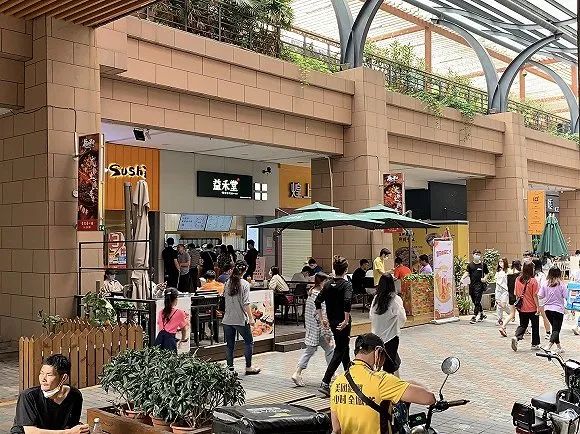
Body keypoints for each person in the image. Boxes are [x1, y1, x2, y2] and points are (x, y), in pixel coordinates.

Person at [330, 333, 436, 434]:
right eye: (383, 357)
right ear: (378, 352)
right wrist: (411, 383)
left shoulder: (337, 382)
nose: (382, 363)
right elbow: (429, 398)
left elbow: (336, 429)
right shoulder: (381, 380)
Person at [12, 354, 88, 434]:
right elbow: (30, 431)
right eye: (41, 373)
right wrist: (69, 432)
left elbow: (71, 425)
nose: (43, 379)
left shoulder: (75, 395)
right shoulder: (28, 396)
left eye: (49, 375)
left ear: (63, 378)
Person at [315, 256, 352, 396]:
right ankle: (325, 382)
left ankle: (350, 377)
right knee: (340, 349)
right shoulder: (347, 285)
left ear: (334, 269)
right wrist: (346, 320)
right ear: (346, 270)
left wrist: (322, 318)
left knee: (344, 347)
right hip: (342, 323)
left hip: (332, 321)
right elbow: (347, 301)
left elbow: (318, 301)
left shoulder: (328, 284)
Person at [291, 272, 334, 387]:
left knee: (325, 349)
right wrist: (327, 330)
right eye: (326, 282)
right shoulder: (320, 296)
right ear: (321, 282)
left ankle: (332, 373)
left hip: (312, 328)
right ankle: (297, 373)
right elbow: (322, 315)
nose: (328, 284)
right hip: (319, 329)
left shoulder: (311, 292)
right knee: (325, 349)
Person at [222, 260, 260, 375]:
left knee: (230, 345)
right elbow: (246, 303)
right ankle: (248, 367)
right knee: (249, 341)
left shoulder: (227, 282)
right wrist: (251, 318)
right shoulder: (244, 284)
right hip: (240, 319)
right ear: (245, 270)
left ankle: (230, 368)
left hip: (227, 319)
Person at [370, 274, 406, 376]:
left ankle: (394, 380)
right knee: (390, 364)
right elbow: (402, 317)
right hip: (391, 336)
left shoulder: (376, 299)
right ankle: (391, 383)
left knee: (389, 361)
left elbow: (371, 316)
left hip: (377, 336)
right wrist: (397, 325)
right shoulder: (395, 299)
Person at [511, 262, 541, 352]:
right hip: (532, 308)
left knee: (523, 324)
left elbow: (516, 293)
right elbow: (535, 296)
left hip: (522, 307)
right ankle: (535, 344)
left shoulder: (518, 279)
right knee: (535, 326)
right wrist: (538, 307)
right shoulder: (533, 281)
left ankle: (516, 337)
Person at [539, 267, 567, 354]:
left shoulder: (545, 283)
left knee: (555, 328)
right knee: (556, 329)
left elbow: (540, 296)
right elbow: (566, 296)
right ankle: (549, 345)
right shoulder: (561, 284)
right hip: (558, 310)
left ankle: (559, 347)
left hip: (547, 310)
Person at [154, 287, 190, 352]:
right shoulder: (179, 312)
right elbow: (184, 329)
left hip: (159, 340)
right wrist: (183, 339)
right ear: (176, 299)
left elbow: (160, 325)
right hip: (170, 341)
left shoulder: (161, 312)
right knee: (171, 357)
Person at [500, 260, 521, 337]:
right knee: (522, 314)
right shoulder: (520, 275)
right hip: (518, 297)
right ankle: (523, 329)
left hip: (511, 296)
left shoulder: (509, 275)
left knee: (512, 314)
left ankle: (503, 326)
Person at [467, 249, 489, 324]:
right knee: (475, 301)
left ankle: (474, 316)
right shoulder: (470, 265)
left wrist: (485, 278)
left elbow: (487, 273)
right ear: (473, 255)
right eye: (476, 254)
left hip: (480, 286)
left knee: (477, 301)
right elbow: (467, 273)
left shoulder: (483, 265)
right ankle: (482, 313)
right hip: (472, 285)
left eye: (479, 254)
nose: (477, 256)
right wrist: (462, 278)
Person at [533, 258, 551, 340]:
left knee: (543, 315)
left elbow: (543, 287)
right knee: (539, 316)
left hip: (539, 298)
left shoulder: (540, 275)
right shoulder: (535, 275)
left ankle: (548, 332)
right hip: (535, 298)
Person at [495, 258, 510, 326]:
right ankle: (499, 319)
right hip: (498, 289)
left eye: (502, 261)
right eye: (499, 262)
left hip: (505, 289)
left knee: (503, 304)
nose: (500, 263)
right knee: (498, 304)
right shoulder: (498, 271)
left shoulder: (508, 271)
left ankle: (511, 313)